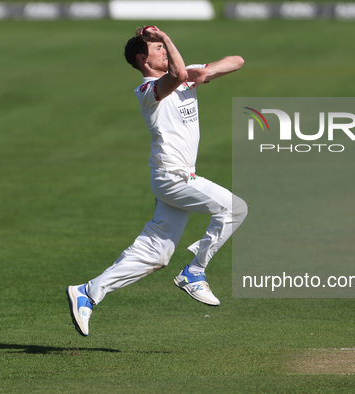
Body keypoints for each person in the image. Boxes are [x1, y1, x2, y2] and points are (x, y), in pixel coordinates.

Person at [66, 26, 247, 336]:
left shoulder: (183, 75)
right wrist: (169, 41)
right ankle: (195, 271)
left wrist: (202, 72)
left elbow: (237, 61)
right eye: (157, 47)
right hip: (173, 177)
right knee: (235, 208)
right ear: (143, 58)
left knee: (156, 254)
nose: (163, 50)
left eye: (164, 46)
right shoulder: (148, 91)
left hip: (172, 180)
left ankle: (88, 291)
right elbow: (176, 74)